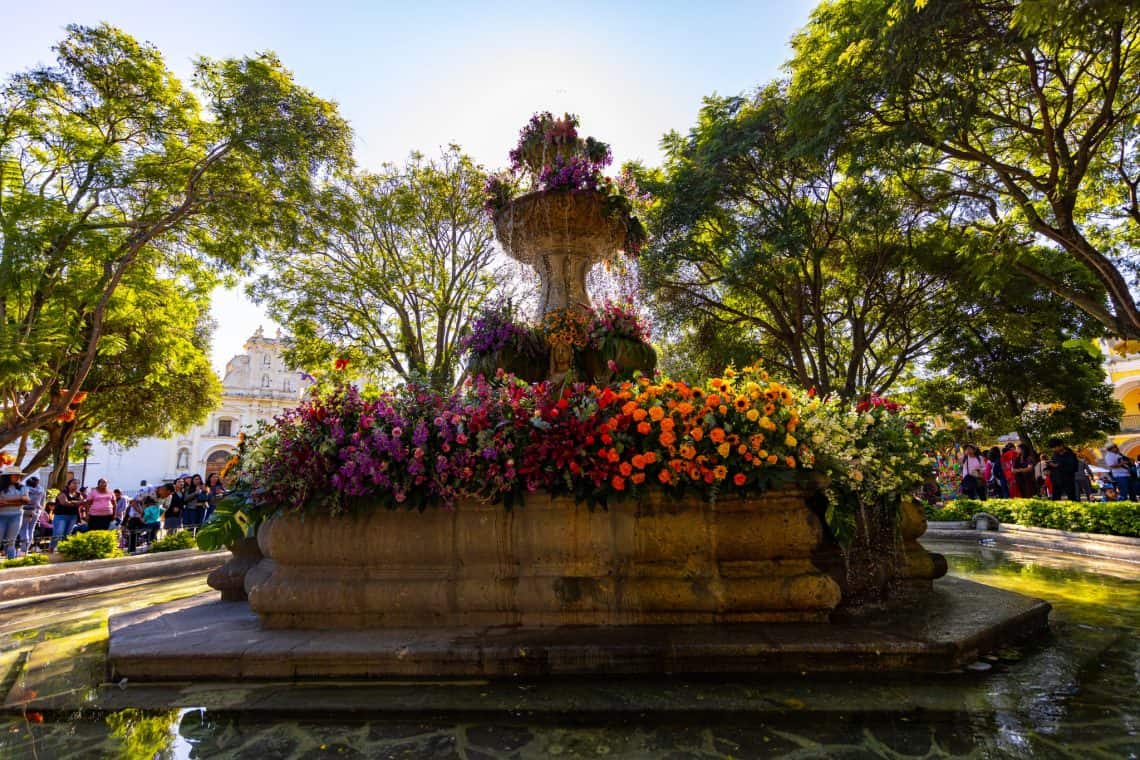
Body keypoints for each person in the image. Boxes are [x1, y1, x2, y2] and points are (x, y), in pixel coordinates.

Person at [0, 465, 29, 560]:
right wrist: (19, 499)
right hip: (1, 516)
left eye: (19, 475)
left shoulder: (22, 487)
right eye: (15, 475)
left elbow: (26, 500)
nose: (18, 477)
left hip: (16, 516)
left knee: (11, 541)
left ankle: (11, 562)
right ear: (7, 476)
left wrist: (7, 502)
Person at [52, 478, 85, 550]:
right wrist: (76, 503)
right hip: (61, 516)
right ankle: (53, 548)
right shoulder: (63, 493)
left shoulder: (78, 494)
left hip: (73, 516)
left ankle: (63, 548)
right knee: (59, 532)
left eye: (77, 483)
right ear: (68, 485)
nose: (76, 485)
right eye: (74, 483)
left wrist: (72, 502)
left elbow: (83, 502)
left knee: (68, 534)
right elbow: (64, 503)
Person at [18, 476, 45, 555]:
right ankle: (26, 549)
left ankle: (23, 550)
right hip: (36, 511)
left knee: (24, 529)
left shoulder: (24, 489)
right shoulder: (41, 489)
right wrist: (41, 510)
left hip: (25, 510)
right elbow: (43, 502)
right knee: (31, 530)